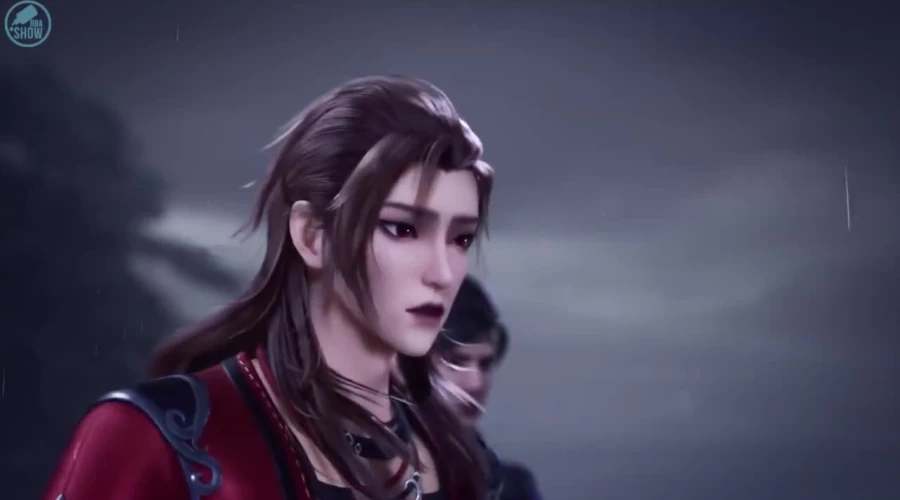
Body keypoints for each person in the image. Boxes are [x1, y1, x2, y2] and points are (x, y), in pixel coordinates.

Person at [43, 76, 505, 500]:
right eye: (403, 229)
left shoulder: (460, 460)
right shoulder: (156, 436)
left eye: (461, 238)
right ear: (312, 236)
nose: (443, 273)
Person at [431, 276, 543, 500]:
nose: (476, 383)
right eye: (456, 362)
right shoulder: (370, 477)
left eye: (485, 364)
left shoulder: (510, 488)